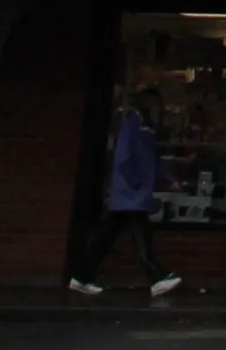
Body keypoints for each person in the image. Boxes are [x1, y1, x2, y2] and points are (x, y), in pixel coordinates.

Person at [68, 92, 182, 298]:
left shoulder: (146, 128)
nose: (161, 110)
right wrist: (137, 181)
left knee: (105, 237)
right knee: (141, 235)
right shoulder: (133, 124)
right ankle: (157, 277)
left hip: (130, 193)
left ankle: (81, 277)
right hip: (131, 194)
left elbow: (154, 158)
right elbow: (123, 157)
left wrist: (168, 178)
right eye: (158, 105)